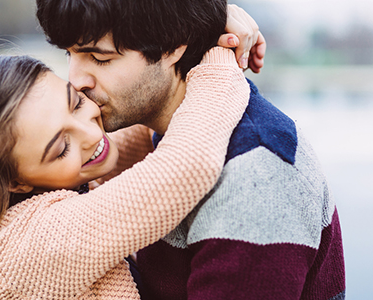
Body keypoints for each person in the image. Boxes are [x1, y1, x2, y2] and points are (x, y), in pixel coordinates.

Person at [36, 0, 346, 299]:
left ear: (172, 45)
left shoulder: (254, 174)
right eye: (69, 53)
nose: (75, 80)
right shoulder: (161, 132)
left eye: (100, 58)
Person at [0, 43, 249, 299]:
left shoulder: (61, 182)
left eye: (76, 103)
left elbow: (152, 122)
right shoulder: (27, 251)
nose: (93, 134)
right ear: (14, 181)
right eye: (61, 148)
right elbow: (186, 166)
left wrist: (200, 28)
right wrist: (218, 58)